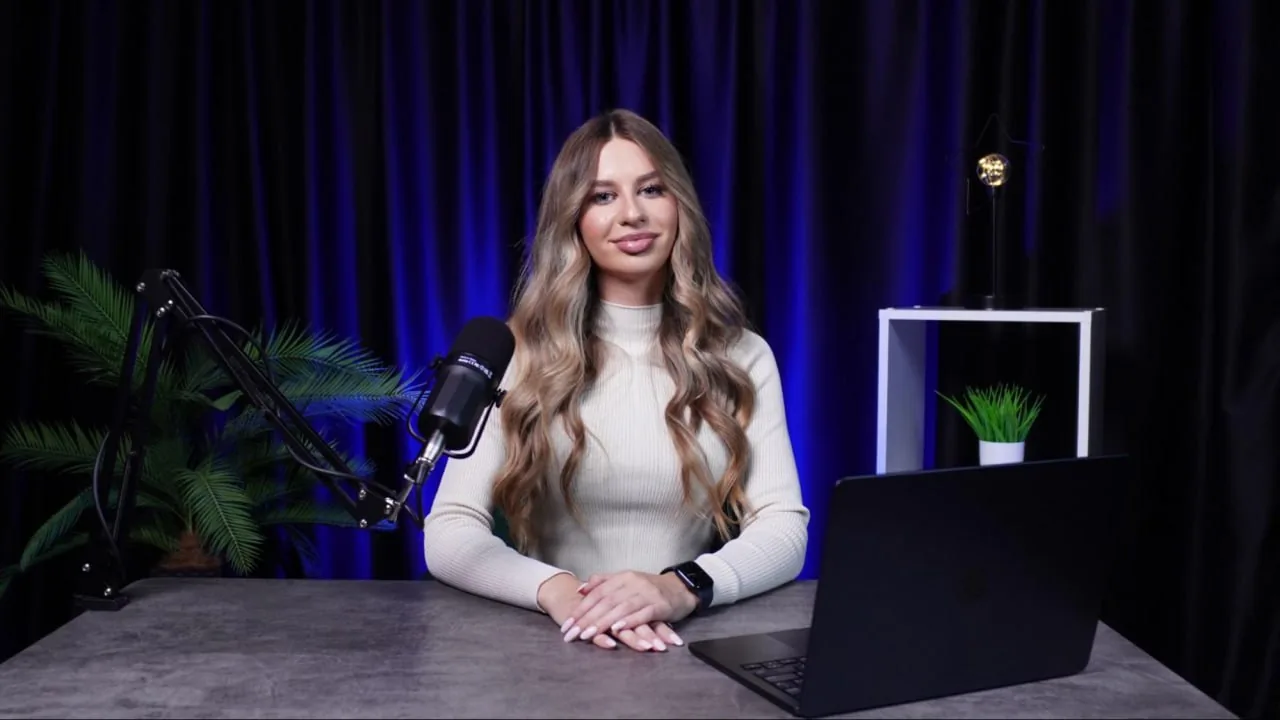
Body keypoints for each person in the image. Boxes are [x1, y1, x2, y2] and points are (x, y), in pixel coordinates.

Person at [421, 108, 809, 653]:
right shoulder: (518, 354)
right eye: (602, 197)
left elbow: (784, 530)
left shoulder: (742, 356)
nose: (632, 214)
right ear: (572, 219)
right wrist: (561, 593)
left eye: (651, 189)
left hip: (687, 647)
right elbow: (449, 532)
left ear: (679, 206)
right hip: (549, 649)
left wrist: (679, 588)